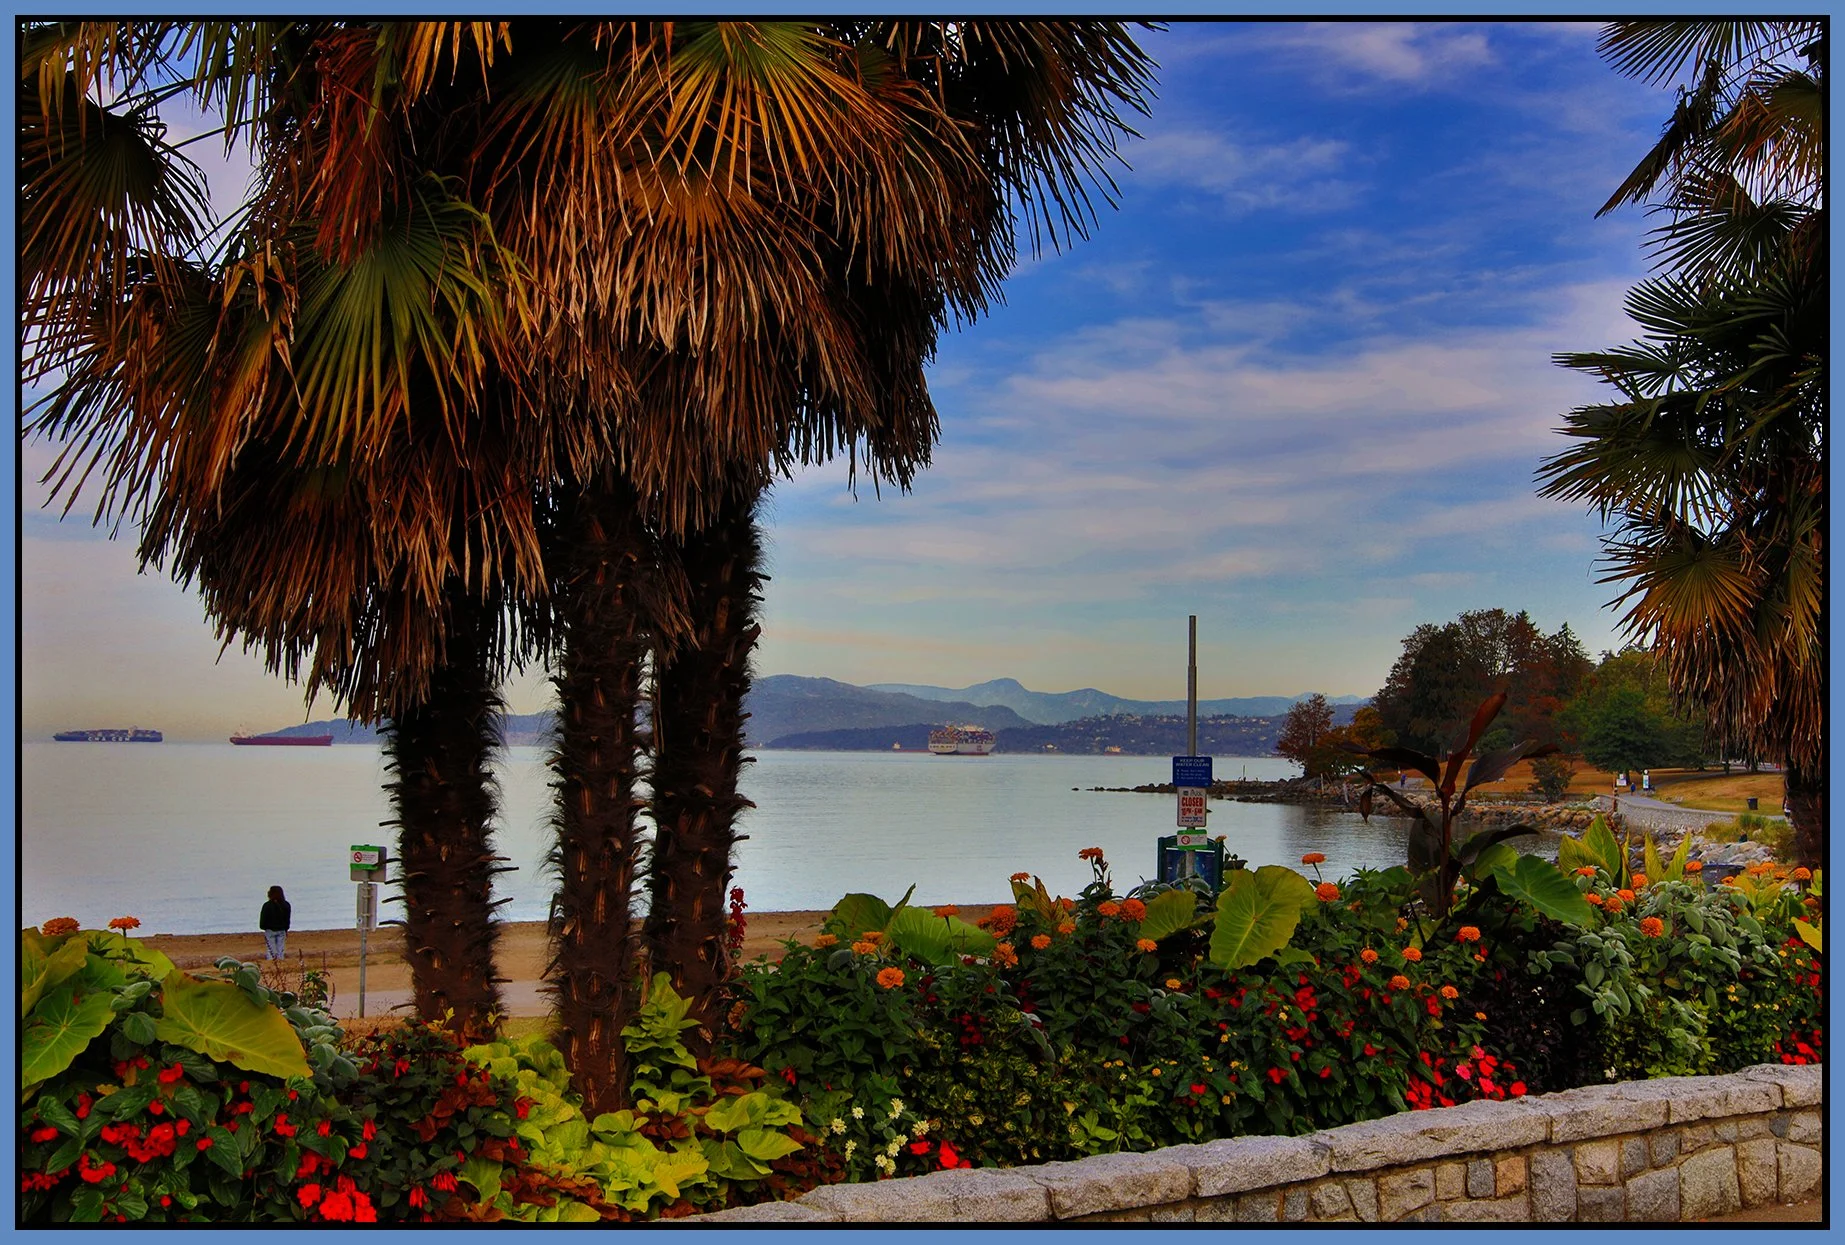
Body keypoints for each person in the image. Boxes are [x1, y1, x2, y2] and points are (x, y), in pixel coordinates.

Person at [259, 885, 291, 960]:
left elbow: (263, 921)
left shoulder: (267, 905)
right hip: (281, 930)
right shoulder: (286, 905)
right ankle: (280, 961)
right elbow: (287, 919)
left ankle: (272, 962)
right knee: (280, 949)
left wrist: (264, 927)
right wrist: (286, 928)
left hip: (270, 930)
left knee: (271, 950)